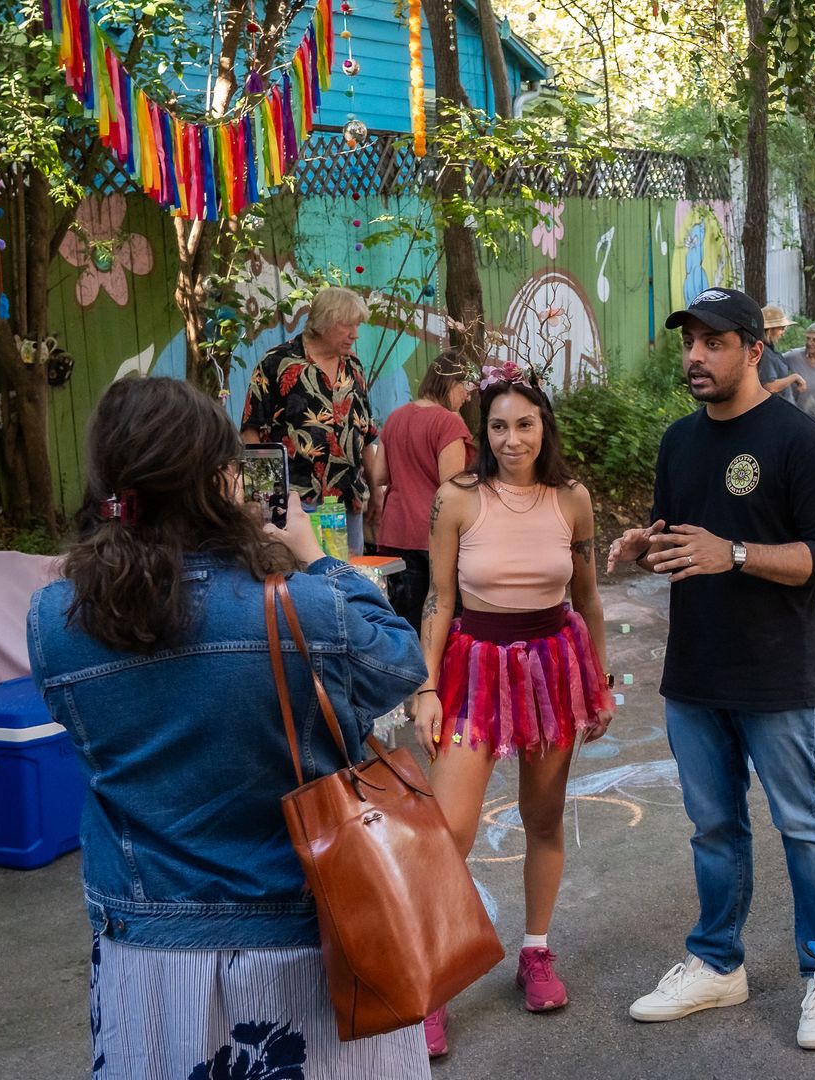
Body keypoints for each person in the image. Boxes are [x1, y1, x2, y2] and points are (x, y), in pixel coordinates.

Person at [28, 377, 430, 1080]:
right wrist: (314, 554)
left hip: (146, 951)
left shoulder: (56, 623)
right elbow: (401, 659)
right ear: (221, 480)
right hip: (308, 947)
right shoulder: (300, 608)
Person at [606, 287, 815, 1052]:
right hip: (696, 675)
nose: (695, 357)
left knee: (803, 825)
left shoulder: (798, 442)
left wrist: (736, 554)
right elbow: (683, 541)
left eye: (713, 343)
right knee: (714, 829)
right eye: (690, 343)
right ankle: (718, 963)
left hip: (778, 677)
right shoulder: (679, 442)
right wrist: (643, 551)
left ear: (754, 349)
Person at [411, 363, 615, 1057]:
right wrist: (425, 687)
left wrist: (602, 680)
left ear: (543, 426)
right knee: (450, 833)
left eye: (524, 423)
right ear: (483, 430)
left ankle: (535, 952)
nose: (511, 437)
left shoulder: (573, 500)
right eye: (498, 425)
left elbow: (587, 600)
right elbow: (438, 599)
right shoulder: (456, 499)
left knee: (544, 818)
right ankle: (432, 987)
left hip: (553, 666)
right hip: (472, 668)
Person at [241, 286, 383, 554]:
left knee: (346, 578)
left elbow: (365, 433)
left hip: (345, 500)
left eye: (357, 325)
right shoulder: (276, 363)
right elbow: (251, 433)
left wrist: (375, 491)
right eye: (348, 326)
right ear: (324, 322)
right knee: (298, 578)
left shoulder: (353, 366)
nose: (355, 334)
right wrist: (259, 500)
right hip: (294, 502)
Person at [375, 352, 475, 629]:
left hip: (394, 533)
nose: (467, 397)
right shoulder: (449, 422)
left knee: (403, 624)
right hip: (434, 535)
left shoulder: (395, 417)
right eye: (464, 388)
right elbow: (452, 484)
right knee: (443, 625)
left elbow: (379, 474)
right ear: (451, 383)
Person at [759, 305, 806, 403]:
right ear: (769, 329)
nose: (783, 332)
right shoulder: (764, 353)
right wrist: (794, 377)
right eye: (781, 328)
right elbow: (770, 387)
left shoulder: (769, 350)